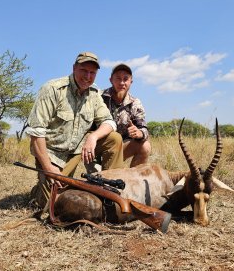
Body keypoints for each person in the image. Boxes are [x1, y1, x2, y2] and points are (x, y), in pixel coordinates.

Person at [26, 52, 124, 208]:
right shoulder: (52, 89)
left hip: (79, 148)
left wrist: (93, 138)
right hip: (53, 153)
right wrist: (49, 169)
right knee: (52, 205)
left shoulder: (94, 93)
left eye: (92, 73)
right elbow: (36, 132)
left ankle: (110, 189)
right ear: (74, 68)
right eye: (84, 70)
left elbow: (109, 122)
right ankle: (38, 191)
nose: (88, 76)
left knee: (114, 138)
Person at [102, 63, 151, 167]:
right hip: (98, 149)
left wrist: (139, 133)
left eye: (125, 79)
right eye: (118, 78)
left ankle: (134, 180)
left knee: (145, 146)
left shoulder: (135, 103)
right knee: (96, 180)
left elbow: (144, 129)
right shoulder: (99, 97)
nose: (122, 83)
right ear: (111, 80)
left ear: (131, 82)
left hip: (120, 149)